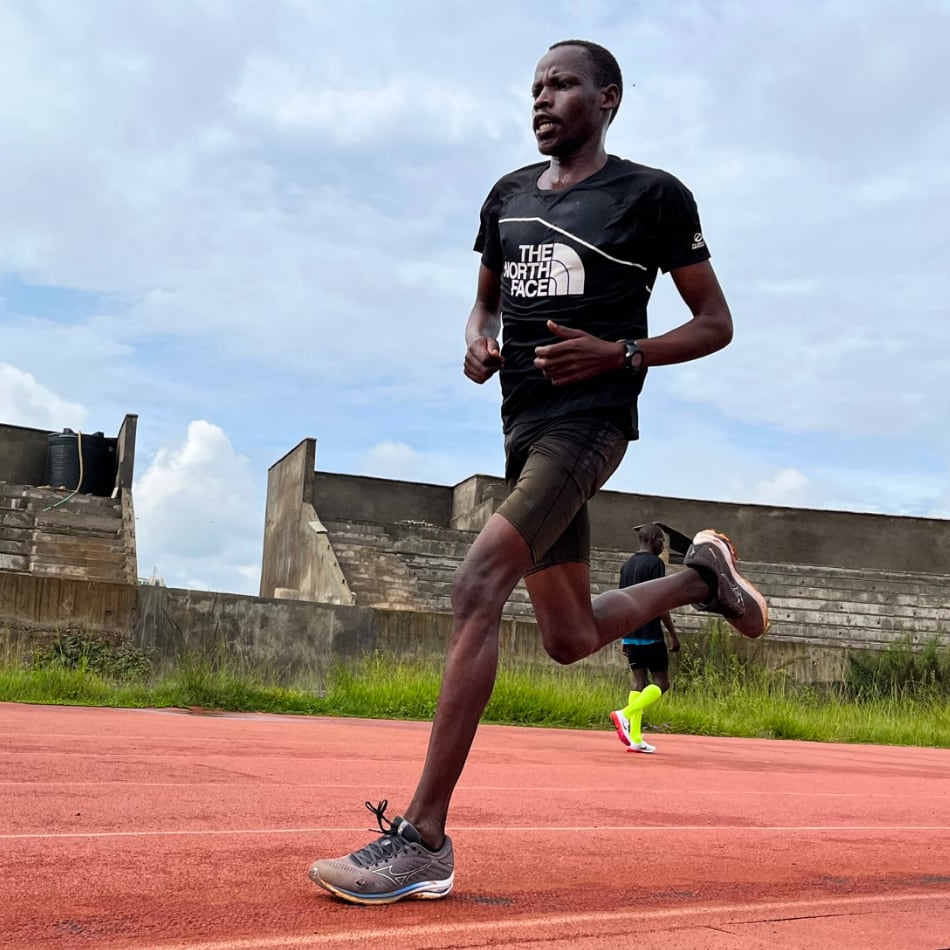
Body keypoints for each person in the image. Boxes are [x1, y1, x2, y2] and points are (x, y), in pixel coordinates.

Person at [308, 38, 769, 905]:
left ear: (609, 98)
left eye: (562, 85)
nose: (543, 98)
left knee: (477, 582)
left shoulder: (652, 196)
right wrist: (477, 336)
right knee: (565, 638)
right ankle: (701, 581)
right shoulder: (508, 197)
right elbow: (485, 294)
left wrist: (621, 351)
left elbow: (715, 322)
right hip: (521, 427)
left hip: (590, 425)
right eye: (535, 87)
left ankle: (422, 839)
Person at [610, 523, 680, 754]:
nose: (663, 546)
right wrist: (672, 633)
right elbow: (659, 601)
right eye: (661, 541)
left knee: (639, 683)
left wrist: (622, 636)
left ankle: (636, 739)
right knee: (662, 683)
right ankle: (625, 714)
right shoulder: (655, 564)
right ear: (651, 539)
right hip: (650, 633)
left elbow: (620, 601)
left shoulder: (626, 565)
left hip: (631, 633)